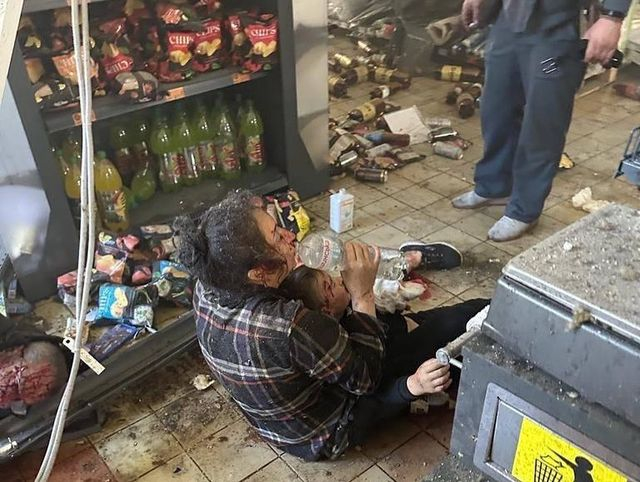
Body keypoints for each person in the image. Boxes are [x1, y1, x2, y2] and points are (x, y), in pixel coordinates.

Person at [174, 190, 475, 461]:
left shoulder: (209, 285)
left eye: (279, 227)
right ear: (258, 274)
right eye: (277, 237)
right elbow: (366, 379)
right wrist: (362, 294)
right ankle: (471, 319)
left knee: (407, 326)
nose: (291, 236)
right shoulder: (289, 326)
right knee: (455, 322)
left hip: (279, 422)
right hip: (326, 432)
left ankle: (415, 291)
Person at [453, 0, 631, 241]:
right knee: (496, 109)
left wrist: (612, 17)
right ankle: (494, 186)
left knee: (543, 121)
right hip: (508, 20)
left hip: (557, 27)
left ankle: (524, 210)